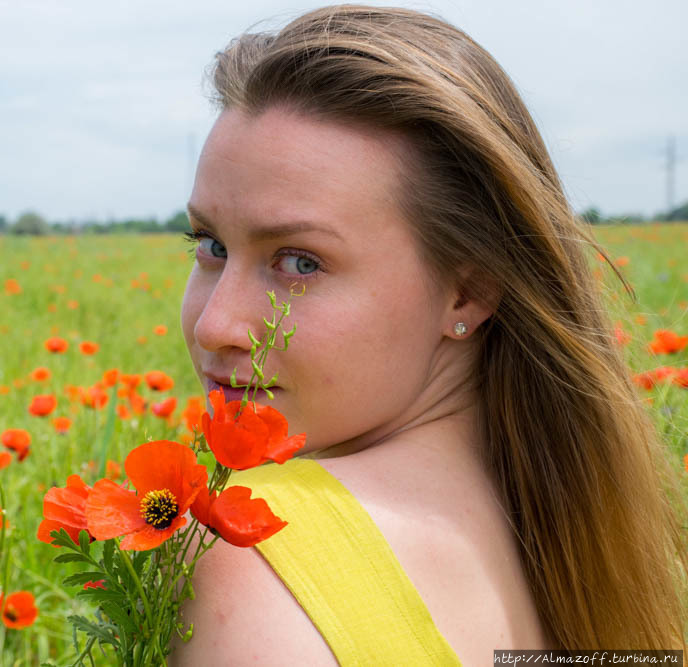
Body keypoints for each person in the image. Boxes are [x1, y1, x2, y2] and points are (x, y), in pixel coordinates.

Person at [172, 5, 688, 664]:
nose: (216, 323)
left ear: (467, 291)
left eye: (300, 262)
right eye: (210, 244)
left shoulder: (250, 546)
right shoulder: (586, 550)